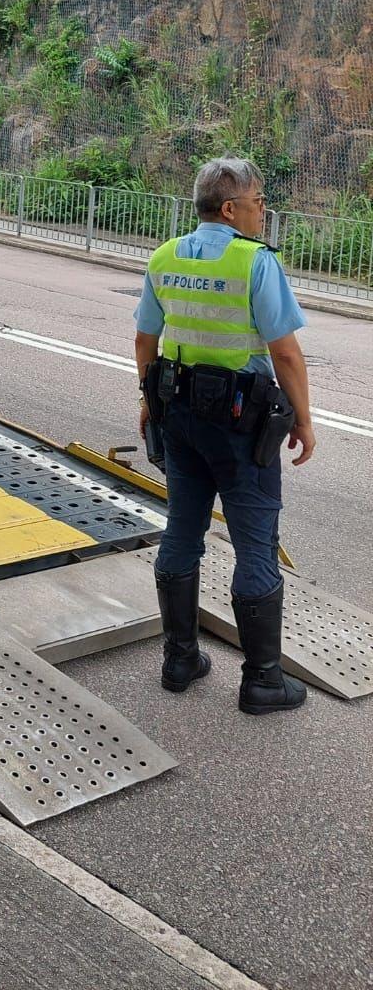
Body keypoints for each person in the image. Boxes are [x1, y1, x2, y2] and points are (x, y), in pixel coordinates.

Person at [135, 156, 315, 716]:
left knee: (183, 529)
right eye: (260, 202)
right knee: (255, 540)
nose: (265, 211)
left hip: (179, 416)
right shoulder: (252, 262)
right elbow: (284, 350)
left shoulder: (164, 256)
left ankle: (180, 659)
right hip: (241, 424)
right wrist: (305, 420)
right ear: (232, 208)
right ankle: (262, 681)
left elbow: (146, 340)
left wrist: (148, 400)